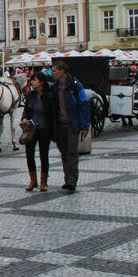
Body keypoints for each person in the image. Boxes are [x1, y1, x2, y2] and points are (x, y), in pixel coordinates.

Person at [49, 60, 90, 192]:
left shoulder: (75, 86)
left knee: (72, 152)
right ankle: (67, 179)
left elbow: (84, 104)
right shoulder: (54, 87)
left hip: (72, 124)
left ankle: (72, 180)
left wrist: (85, 126)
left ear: (62, 71)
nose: (52, 73)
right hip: (60, 125)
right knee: (64, 153)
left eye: (54, 71)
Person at [20, 73, 55, 191]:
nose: (32, 82)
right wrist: (24, 119)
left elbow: (52, 115)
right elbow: (26, 110)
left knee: (44, 155)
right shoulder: (30, 95)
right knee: (29, 155)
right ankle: (33, 180)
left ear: (41, 82)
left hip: (44, 129)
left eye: (34, 80)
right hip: (31, 129)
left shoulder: (49, 96)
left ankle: (43, 182)